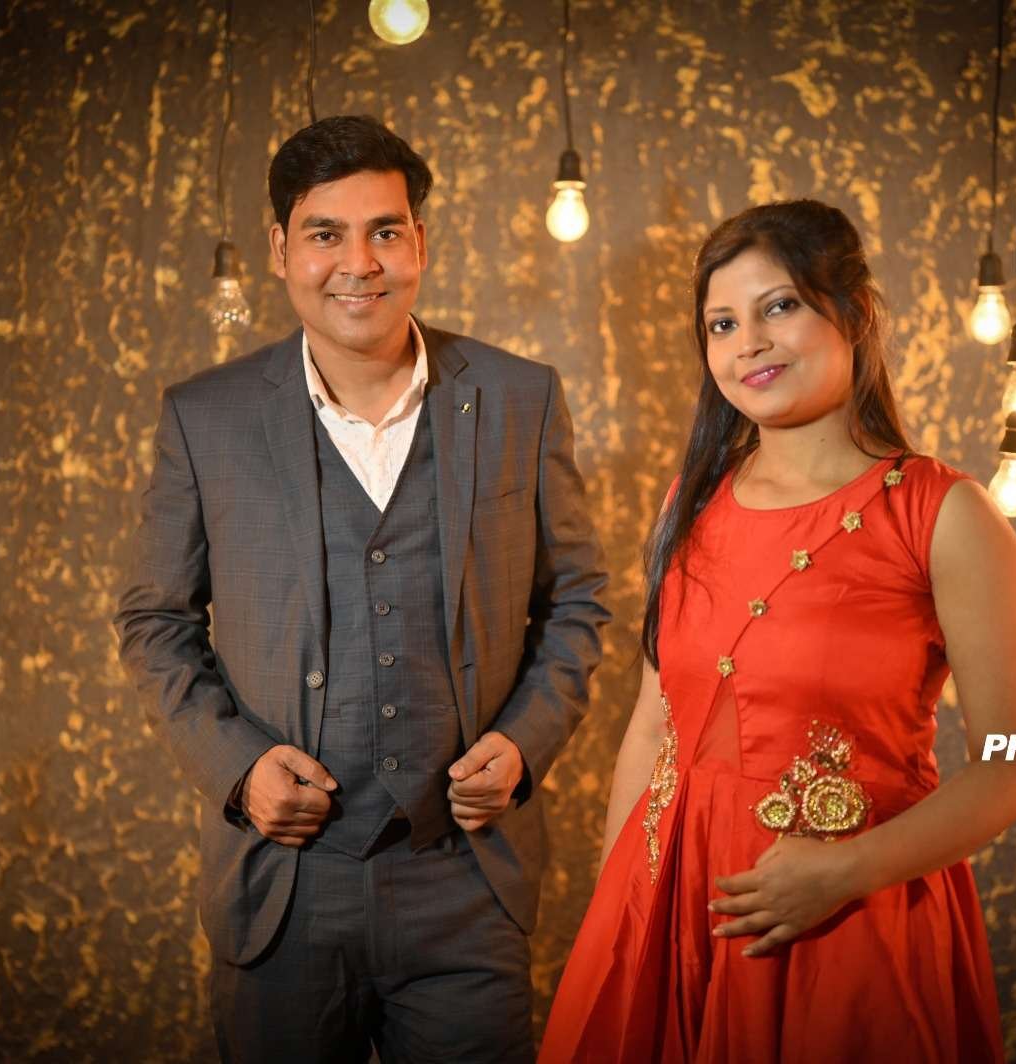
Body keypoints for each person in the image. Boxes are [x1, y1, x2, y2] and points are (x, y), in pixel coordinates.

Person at [114, 114, 610, 1063]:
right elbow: (155, 620)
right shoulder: (205, 417)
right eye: (325, 234)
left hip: (467, 883)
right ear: (280, 250)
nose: (359, 263)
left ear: (419, 240)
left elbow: (579, 599)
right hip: (283, 886)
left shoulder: (520, 397)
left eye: (385, 230)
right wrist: (237, 769)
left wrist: (525, 742)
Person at [539, 199, 1016, 1063]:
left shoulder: (942, 515)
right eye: (722, 324)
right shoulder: (692, 501)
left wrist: (844, 873)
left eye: (778, 307)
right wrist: (619, 917)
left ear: (854, 312)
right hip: (669, 904)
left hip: (845, 919)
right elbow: (655, 726)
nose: (748, 344)